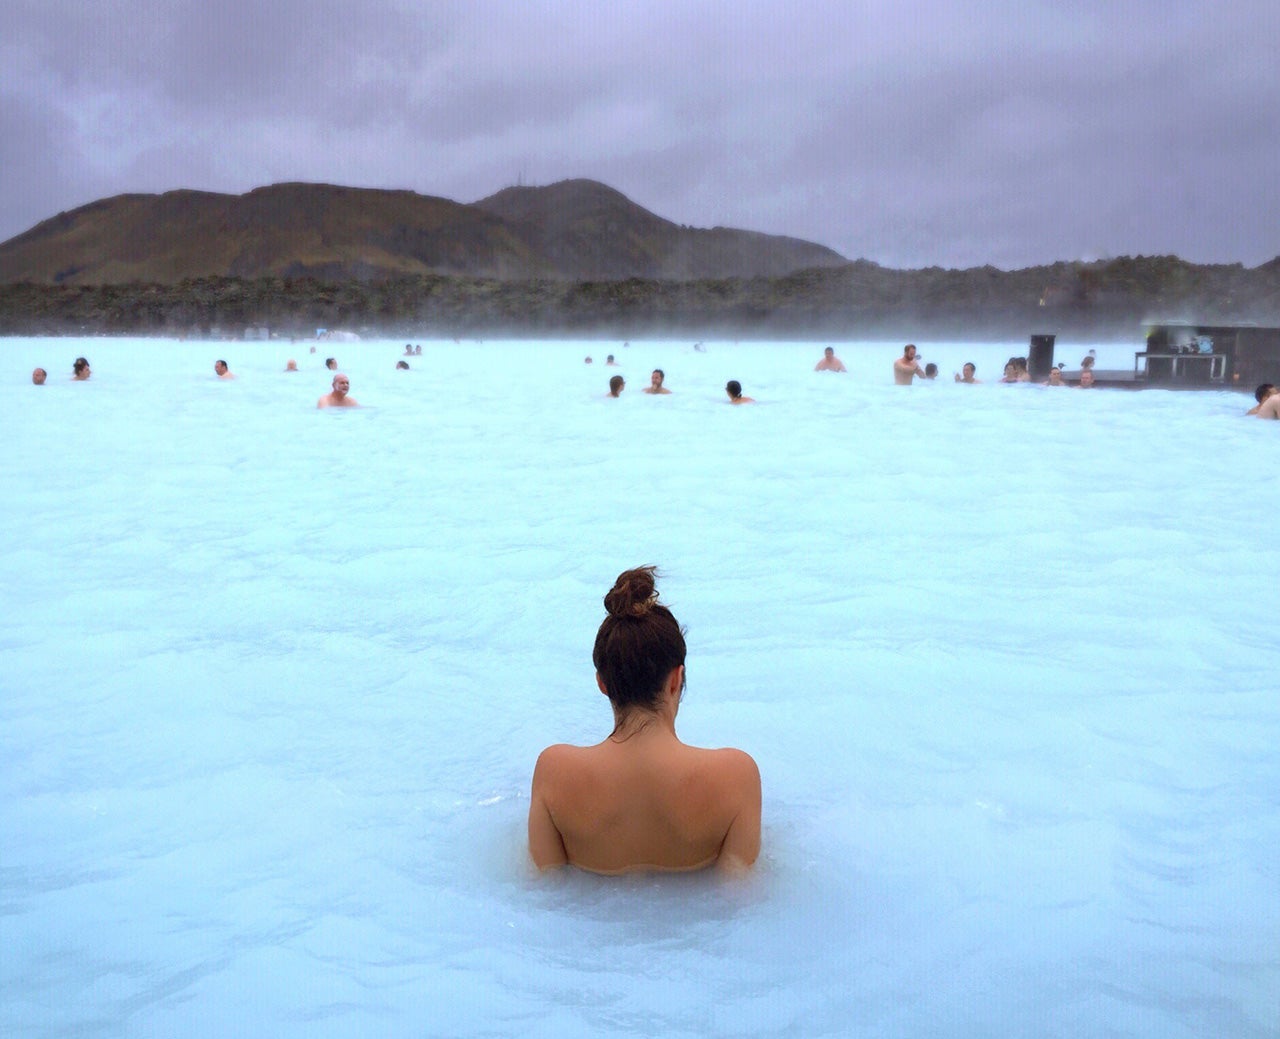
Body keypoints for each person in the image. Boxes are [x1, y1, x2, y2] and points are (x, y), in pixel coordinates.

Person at [528, 566, 761, 874]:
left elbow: (545, 894)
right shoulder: (736, 777)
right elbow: (738, 902)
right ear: (676, 680)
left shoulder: (554, 772)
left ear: (602, 683)